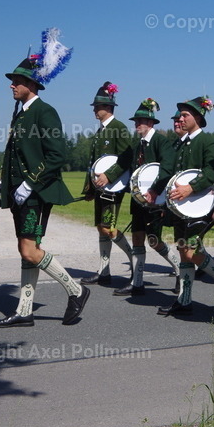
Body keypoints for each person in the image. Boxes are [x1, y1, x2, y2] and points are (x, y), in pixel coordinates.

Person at [0, 35, 90, 328]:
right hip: (20, 192)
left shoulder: (44, 112)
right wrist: (4, 180)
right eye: (12, 81)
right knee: (27, 249)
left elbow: (57, 155)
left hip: (36, 193)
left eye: (17, 81)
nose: (11, 85)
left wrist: (30, 183)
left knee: (29, 250)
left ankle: (76, 290)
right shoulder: (21, 114)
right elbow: (17, 153)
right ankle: (24, 310)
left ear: (31, 84)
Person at [154, 96, 214, 316]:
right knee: (183, 250)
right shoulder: (181, 143)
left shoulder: (207, 141)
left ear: (198, 117)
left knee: (191, 249)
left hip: (199, 205)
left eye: (185, 115)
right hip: (180, 206)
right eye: (180, 115)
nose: (180, 119)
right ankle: (184, 300)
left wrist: (191, 187)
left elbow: (212, 172)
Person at [114, 98, 182, 296]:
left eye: (141, 121)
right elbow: (124, 166)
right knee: (137, 238)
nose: (137, 124)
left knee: (154, 240)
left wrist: (154, 190)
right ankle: (137, 283)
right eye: (136, 121)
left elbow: (168, 168)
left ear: (151, 122)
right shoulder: (137, 145)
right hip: (138, 201)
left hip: (155, 201)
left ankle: (180, 270)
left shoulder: (161, 142)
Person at [81, 81, 135, 286]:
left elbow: (127, 157)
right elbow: (94, 164)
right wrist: (89, 189)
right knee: (101, 227)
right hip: (101, 188)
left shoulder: (118, 128)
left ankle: (135, 260)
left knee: (108, 228)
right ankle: (104, 272)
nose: (94, 110)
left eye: (98, 106)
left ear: (108, 107)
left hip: (113, 188)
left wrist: (109, 176)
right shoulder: (101, 131)